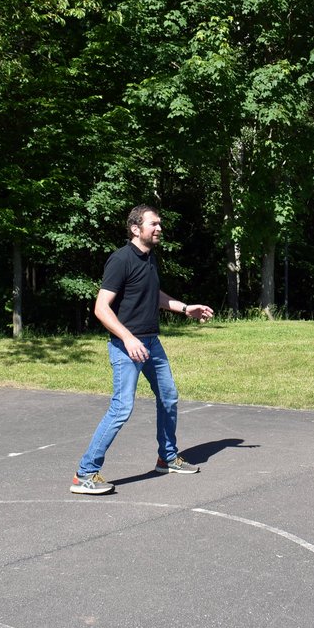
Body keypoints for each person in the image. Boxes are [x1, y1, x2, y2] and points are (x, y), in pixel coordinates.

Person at [71, 204, 215, 494]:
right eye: (154, 224)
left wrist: (185, 308)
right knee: (122, 407)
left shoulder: (150, 259)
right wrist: (128, 338)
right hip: (128, 346)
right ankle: (85, 474)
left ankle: (168, 457)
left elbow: (154, 294)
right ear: (136, 229)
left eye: (159, 224)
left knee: (168, 396)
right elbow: (101, 308)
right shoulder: (120, 260)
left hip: (152, 343)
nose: (159, 228)